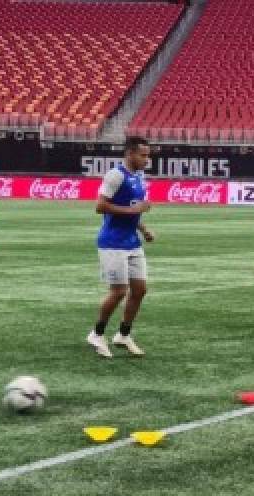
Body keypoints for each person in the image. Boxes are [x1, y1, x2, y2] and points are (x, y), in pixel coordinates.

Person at [87, 137, 155, 358]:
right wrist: (135, 212)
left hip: (132, 242)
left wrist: (143, 229)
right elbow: (100, 206)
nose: (147, 160)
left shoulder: (138, 177)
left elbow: (133, 207)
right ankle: (96, 334)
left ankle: (123, 335)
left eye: (148, 155)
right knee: (118, 292)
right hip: (112, 242)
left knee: (140, 290)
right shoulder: (115, 175)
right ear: (130, 154)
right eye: (143, 155)